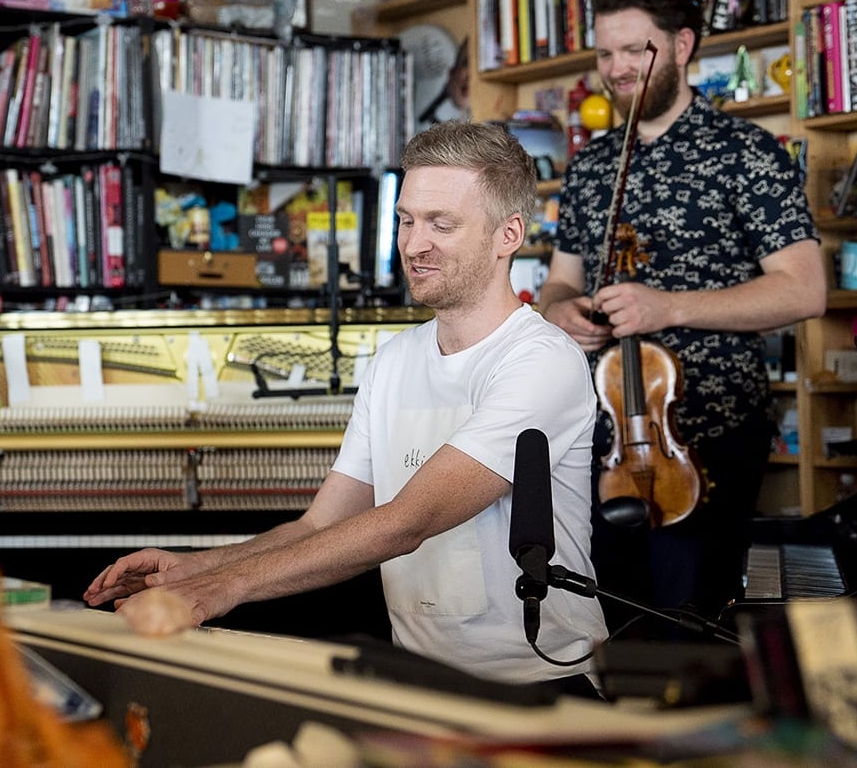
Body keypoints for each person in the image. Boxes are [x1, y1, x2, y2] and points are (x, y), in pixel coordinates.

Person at [86, 121, 609, 692]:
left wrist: (224, 589)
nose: (414, 244)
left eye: (442, 224)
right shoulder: (393, 361)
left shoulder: (541, 360)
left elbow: (406, 523)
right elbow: (323, 524)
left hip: (541, 683)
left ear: (508, 234)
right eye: (406, 220)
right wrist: (199, 567)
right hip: (418, 681)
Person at [540, 0, 827, 627]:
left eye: (633, 49)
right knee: (603, 616)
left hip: (708, 435)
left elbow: (806, 290)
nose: (616, 68)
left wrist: (669, 307)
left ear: (681, 44)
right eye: (605, 52)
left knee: (687, 622)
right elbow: (562, 276)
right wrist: (562, 311)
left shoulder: (746, 152)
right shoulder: (591, 166)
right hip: (599, 436)